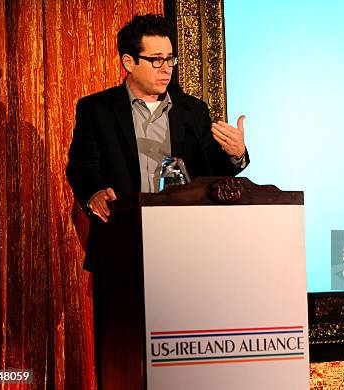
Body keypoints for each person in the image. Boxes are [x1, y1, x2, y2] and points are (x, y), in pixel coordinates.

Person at [66, 14, 249, 269]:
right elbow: (81, 166)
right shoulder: (97, 109)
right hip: (122, 242)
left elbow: (214, 172)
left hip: (186, 244)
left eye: (170, 59)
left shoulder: (192, 110)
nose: (166, 68)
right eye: (156, 60)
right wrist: (94, 193)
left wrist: (236, 153)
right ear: (129, 62)